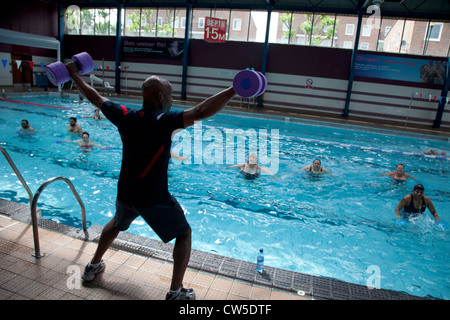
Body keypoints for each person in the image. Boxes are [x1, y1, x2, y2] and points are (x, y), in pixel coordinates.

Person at [65, 60, 236, 300]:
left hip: (126, 192)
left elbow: (95, 97)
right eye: (170, 94)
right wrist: (234, 89)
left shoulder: (125, 116)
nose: (172, 99)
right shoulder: (163, 122)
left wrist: (74, 75)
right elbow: (200, 112)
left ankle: (92, 267)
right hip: (153, 197)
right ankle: (176, 292)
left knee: (116, 224)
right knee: (184, 233)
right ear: (158, 97)